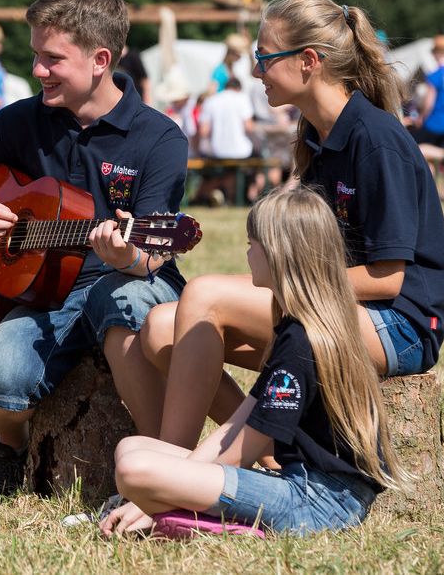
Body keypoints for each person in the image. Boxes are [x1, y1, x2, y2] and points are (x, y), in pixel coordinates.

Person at [130, 0, 444, 452]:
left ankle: (173, 472)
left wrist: (281, 285)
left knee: (202, 295)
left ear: (308, 61)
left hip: (400, 326)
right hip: (336, 307)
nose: (256, 71)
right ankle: (267, 452)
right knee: (162, 327)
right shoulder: (318, 137)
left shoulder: (376, 141)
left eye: (264, 57)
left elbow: (388, 279)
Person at [0, 0, 188, 504]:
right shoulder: (22, 120)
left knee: (125, 306)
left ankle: (164, 468)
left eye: (52, 60)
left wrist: (128, 254)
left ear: (100, 59)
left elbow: (154, 251)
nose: (38, 71)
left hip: (129, 278)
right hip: (45, 294)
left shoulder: (159, 138)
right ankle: (11, 445)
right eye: (35, 57)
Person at [99, 186, 409, 538]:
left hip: (318, 503)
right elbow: (237, 424)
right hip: (306, 486)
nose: (246, 254)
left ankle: (212, 522)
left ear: (278, 254)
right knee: (132, 449)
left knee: (135, 470)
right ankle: (194, 516)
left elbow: (242, 451)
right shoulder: (294, 326)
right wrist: (169, 484)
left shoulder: (300, 343)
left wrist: (156, 496)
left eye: (252, 244)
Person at [414, 35, 444, 200]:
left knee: (419, 150)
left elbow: (429, 103)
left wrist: (421, 117)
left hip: (435, 122)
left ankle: (431, 192)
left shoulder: (435, 75)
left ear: (438, 54)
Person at [195, 76, 254, 205]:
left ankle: (213, 195)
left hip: (216, 151)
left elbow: (203, 131)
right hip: (240, 152)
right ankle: (236, 198)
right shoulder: (242, 98)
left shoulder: (211, 100)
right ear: (239, 88)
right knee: (254, 161)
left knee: (219, 172)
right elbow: (249, 127)